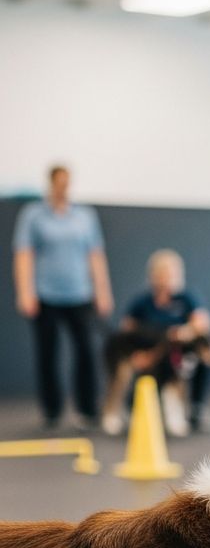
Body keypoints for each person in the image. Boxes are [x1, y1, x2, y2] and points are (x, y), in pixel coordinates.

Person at [13, 165, 113, 429]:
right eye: (59, 183)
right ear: (51, 184)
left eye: (67, 182)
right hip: (46, 294)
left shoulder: (84, 216)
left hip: (80, 294)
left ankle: (88, 409)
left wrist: (102, 291)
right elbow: (24, 255)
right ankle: (52, 411)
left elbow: (95, 255)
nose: (63, 187)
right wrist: (25, 292)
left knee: (87, 352)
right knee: (48, 353)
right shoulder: (33, 215)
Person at [101, 249, 210, 437]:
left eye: (172, 274)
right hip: (146, 350)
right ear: (153, 276)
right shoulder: (142, 302)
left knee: (198, 359)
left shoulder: (187, 298)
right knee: (123, 368)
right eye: (163, 274)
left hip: (173, 352)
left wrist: (182, 333)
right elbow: (127, 330)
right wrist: (138, 356)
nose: (167, 279)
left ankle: (192, 411)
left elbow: (202, 324)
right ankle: (115, 413)